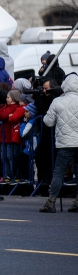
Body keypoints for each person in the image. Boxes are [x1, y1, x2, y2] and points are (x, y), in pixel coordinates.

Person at [39, 73, 78, 213]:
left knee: (58, 173)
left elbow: (48, 121)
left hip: (65, 142)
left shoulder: (58, 101)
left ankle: (51, 202)